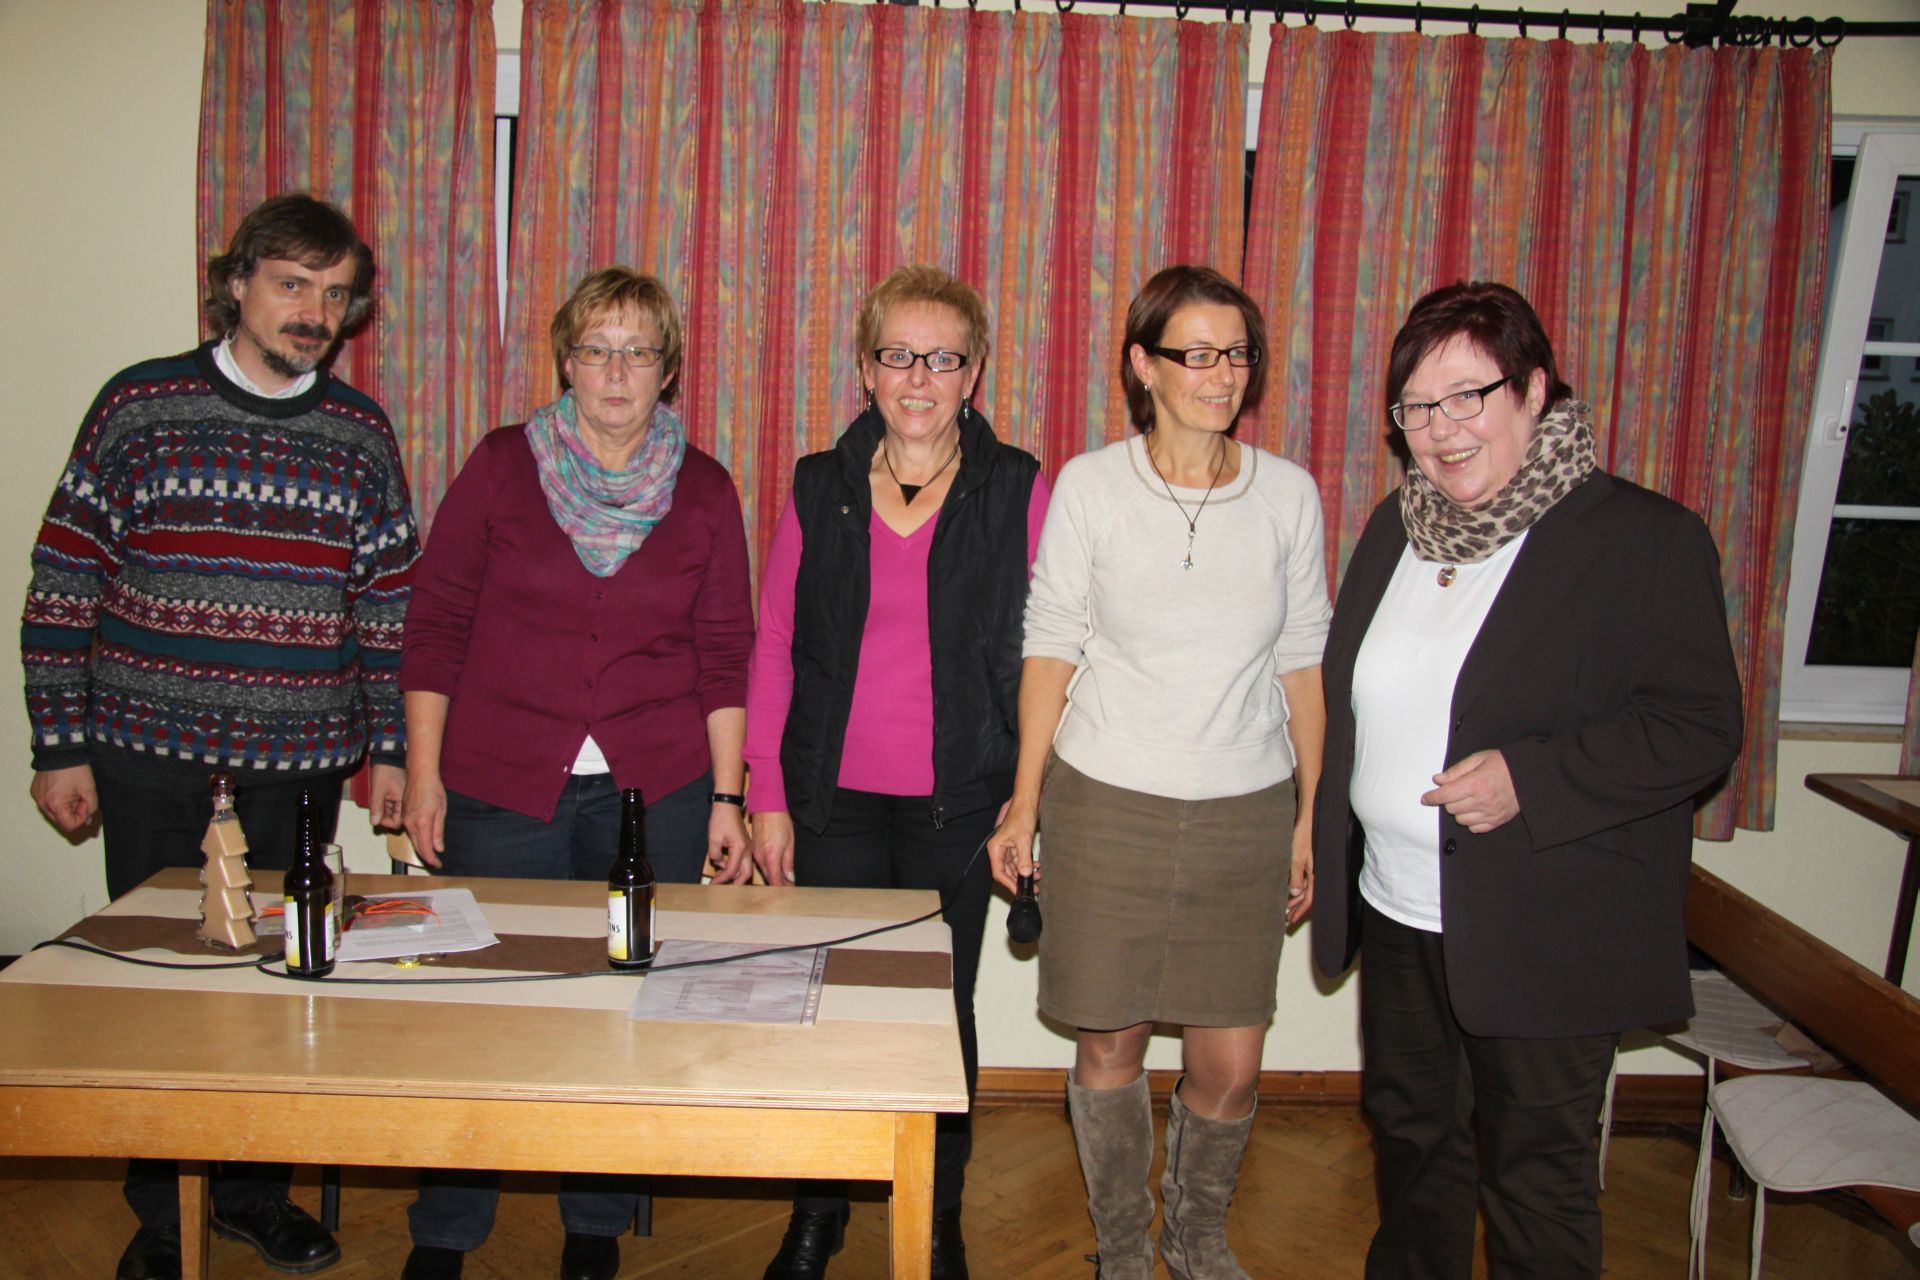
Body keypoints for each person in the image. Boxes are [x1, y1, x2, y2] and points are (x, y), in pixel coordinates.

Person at [1312, 281, 1745, 1278]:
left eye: (1469, 395)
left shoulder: (1642, 539)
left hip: (1545, 924)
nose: (1443, 428)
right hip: (1399, 912)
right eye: (1418, 406)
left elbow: (1700, 727)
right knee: (1415, 1150)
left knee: (1533, 1179)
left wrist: (1532, 777)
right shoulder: (1397, 527)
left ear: (1536, 389)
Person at [21, 192, 417, 1280]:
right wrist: (58, 744)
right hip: (147, 756)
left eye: (335, 294)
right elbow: (63, 577)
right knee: (160, 990)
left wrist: (389, 748)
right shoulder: (139, 405)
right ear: (236, 283)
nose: (314, 313)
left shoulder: (359, 432)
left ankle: (250, 1194)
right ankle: (164, 1212)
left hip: (300, 768)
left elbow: (388, 607)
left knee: (279, 982)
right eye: (292, 284)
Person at [397, 267, 755, 1280]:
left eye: (638, 351)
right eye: (597, 349)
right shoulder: (501, 465)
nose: (616, 371)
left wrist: (727, 796)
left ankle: (593, 1219)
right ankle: (447, 1227)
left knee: (622, 1002)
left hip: (657, 794)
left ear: (668, 369)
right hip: (500, 783)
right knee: (486, 1006)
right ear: (566, 361)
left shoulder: (705, 489)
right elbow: (436, 624)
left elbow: (725, 652)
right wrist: (422, 773)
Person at [989, 265, 1330, 1280]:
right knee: (1110, 1047)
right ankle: (1124, 1249)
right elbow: (1050, 645)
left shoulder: (1288, 495)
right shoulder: (1093, 486)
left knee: (1232, 1062)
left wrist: (1309, 818)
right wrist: (1024, 802)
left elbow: (1304, 663)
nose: (1221, 375)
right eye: (1197, 353)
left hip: (1246, 809)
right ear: (1144, 365)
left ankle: (1196, 1235)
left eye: (1238, 354)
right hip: (1107, 804)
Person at [746, 264, 1048, 1280]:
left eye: (944, 357)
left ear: (974, 373)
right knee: (825, 1003)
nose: (920, 377)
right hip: (830, 801)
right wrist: (766, 793)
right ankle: (817, 1214)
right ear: (867, 368)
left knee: (939, 1013)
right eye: (899, 354)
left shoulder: (1019, 489)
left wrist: (1028, 798)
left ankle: (938, 1215)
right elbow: (776, 641)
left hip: (957, 802)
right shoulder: (818, 484)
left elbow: (1052, 655)